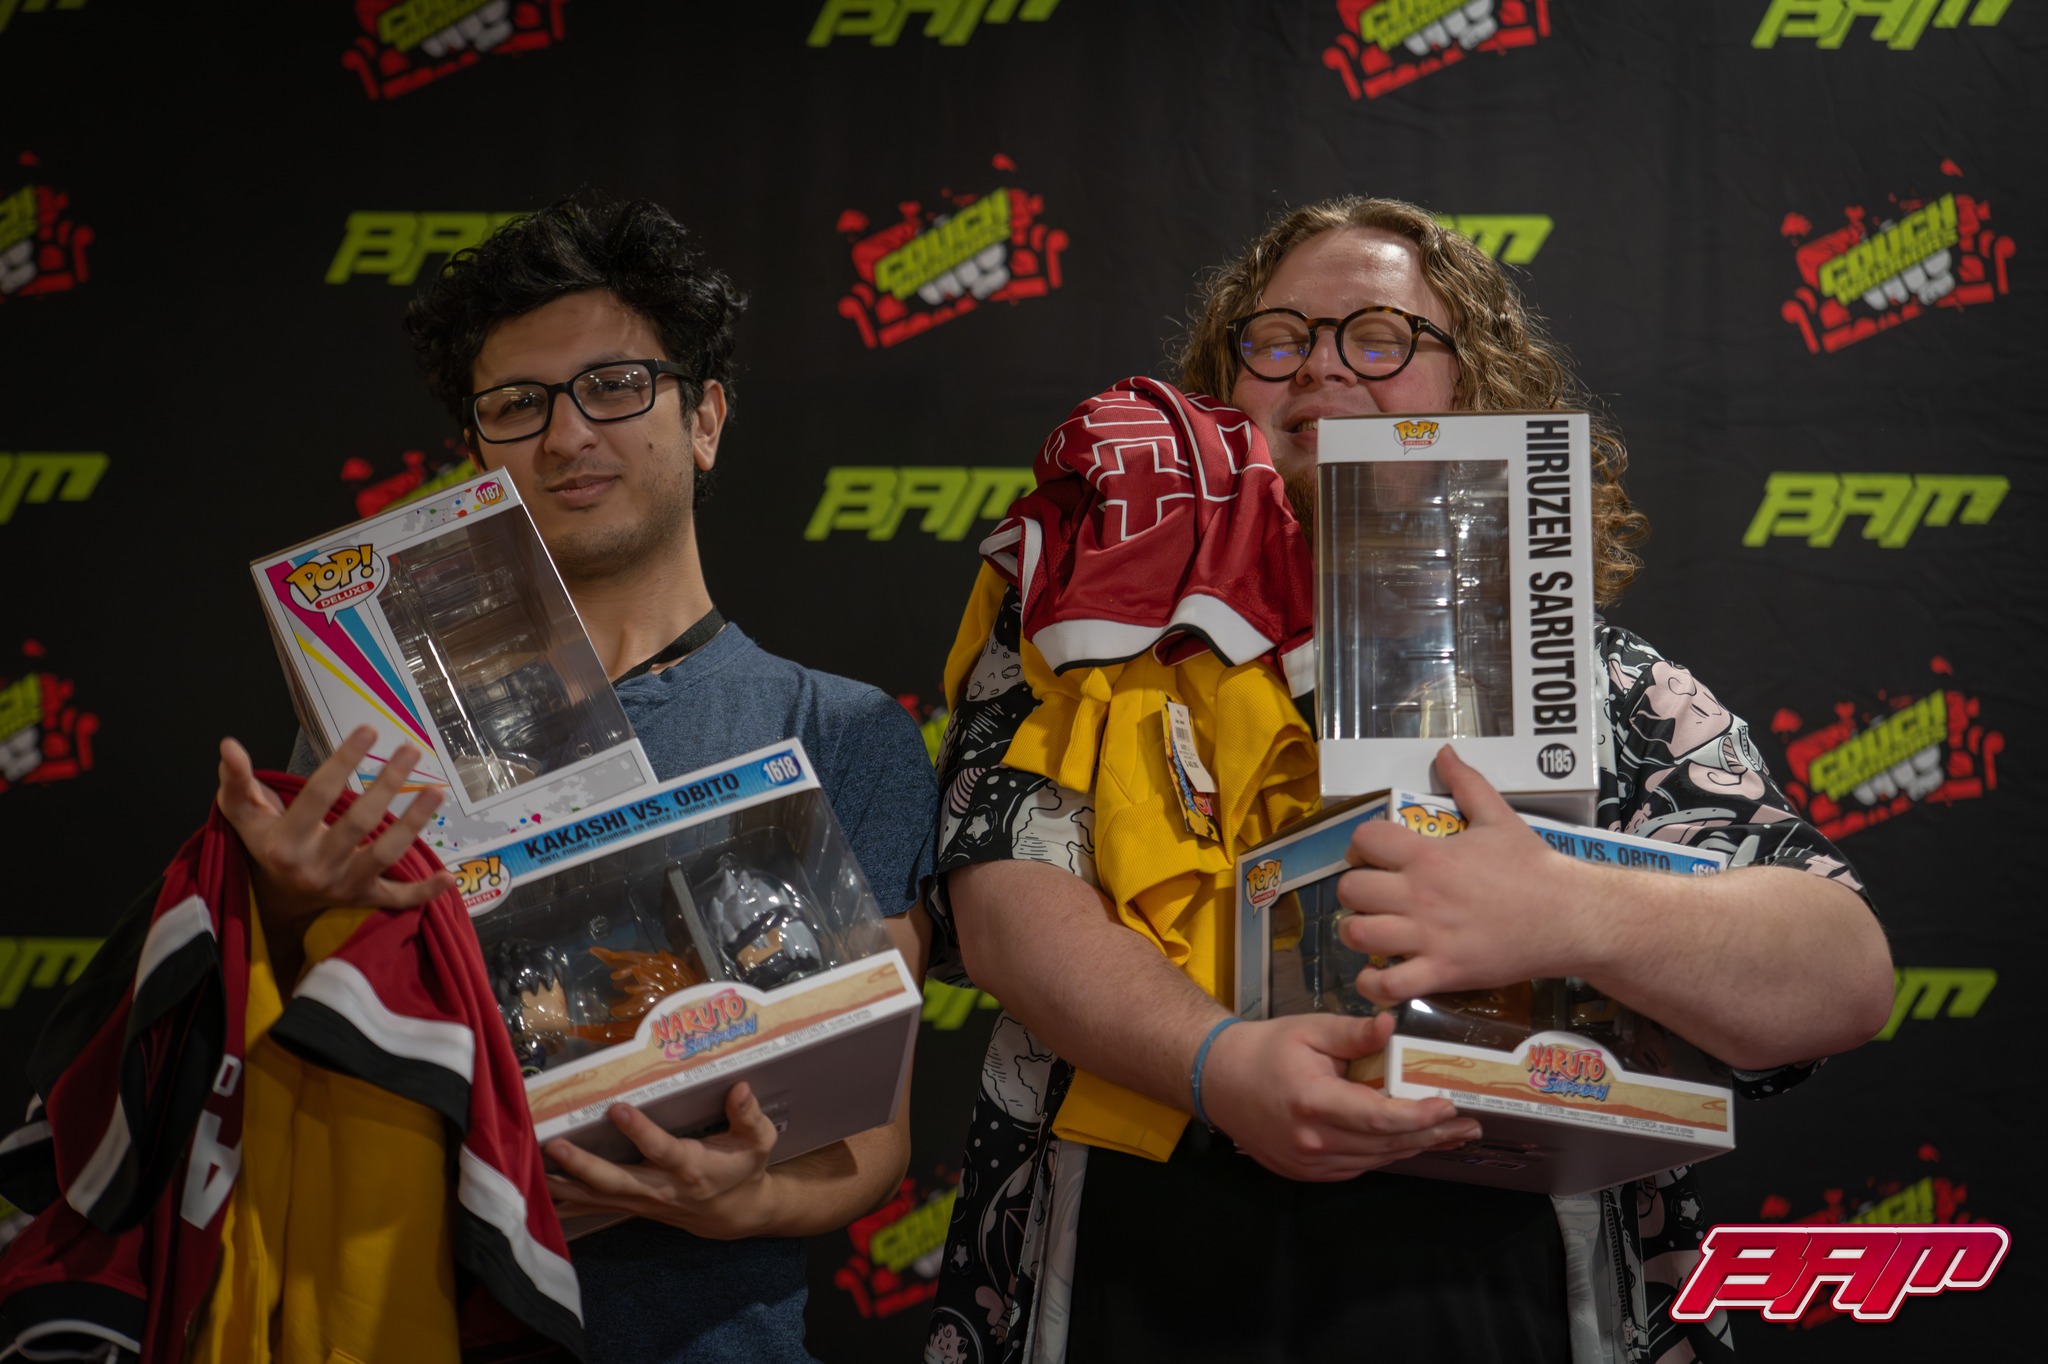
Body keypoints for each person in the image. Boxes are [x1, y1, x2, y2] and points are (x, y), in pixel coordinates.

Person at [921, 195, 1893, 1363]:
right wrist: (1216, 1063)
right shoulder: (1088, 620)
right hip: (1130, 1261)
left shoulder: (1597, 680)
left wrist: (1573, 907)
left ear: (1470, 387)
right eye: (1275, 339)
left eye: (1378, 337)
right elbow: (1005, 900)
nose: (1320, 368)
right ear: (1227, 391)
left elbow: (1840, 973)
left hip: (1515, 1289)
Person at [214, 189, 938, 1363]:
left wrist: (739, 1199)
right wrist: (286, 909)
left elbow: (871, 1130)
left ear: (704, 418)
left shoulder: (839, 728)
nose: (564, 436)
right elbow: (300, 1060)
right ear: (476, 455)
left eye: (613, 385)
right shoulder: (372, 729)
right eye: (517, 404)